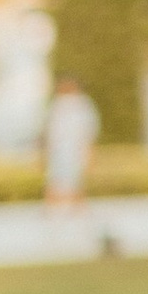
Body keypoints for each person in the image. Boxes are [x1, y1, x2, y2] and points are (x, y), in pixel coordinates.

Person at [42, 77, 99, 209]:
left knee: (69, 182)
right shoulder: (76, 105)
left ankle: (71, 211)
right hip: (64, 152)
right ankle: (69, 211)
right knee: (62, 182)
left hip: (70, 151)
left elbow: (86, 133)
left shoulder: (77, 105)